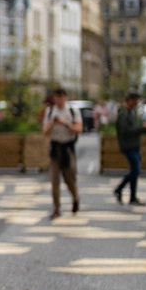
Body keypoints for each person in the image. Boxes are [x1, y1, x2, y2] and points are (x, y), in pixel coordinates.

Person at [42, 88, 82, 219]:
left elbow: (78, 129)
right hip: (55, 148)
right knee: (54, 180)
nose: (59, 101)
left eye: (61, 97)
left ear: (65, 97)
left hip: (67, 148)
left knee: (69, 178)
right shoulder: (50, 111)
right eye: (56, 98)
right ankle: (56, 207)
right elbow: (45, 131)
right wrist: (53, 123)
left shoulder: (72, 111)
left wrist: (65, 123)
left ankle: (75, 197)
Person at [114, 92, 146, 206]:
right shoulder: (124, 113)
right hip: (128, 146)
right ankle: (119, 188)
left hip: (134, 145)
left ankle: (132, 196)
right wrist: (140, 128)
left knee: (135, 170)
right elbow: (125, 130)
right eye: (135, 101)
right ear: (129, 100)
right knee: (135, 170)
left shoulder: (132, 112)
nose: (136, 103)